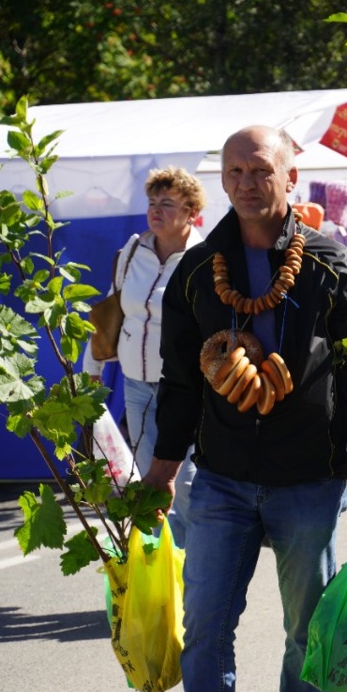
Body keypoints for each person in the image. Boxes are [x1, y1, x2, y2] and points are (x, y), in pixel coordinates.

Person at [145, 125, 347, 692]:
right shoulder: (199, 273)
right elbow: (178, 379)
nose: (247, 183)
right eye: (234, 172)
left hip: (307, 478)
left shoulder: (330, 265)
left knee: (306, 630)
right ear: (221, 181)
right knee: (203, 627)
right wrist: (164, 468)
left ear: (291, 175)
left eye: (260, 170)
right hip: (222, 477)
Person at [83, 166, 205, 545]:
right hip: (136, 383)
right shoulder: (133, 250)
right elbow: (111, 311)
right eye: (152, 202)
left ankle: (189, 573)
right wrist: (92, 369)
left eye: (168, 203)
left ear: (191, 211)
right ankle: (157, 567)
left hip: (185, 388)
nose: (156, 210)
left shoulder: (204, 258)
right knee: (147, 484)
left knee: (183, 484)